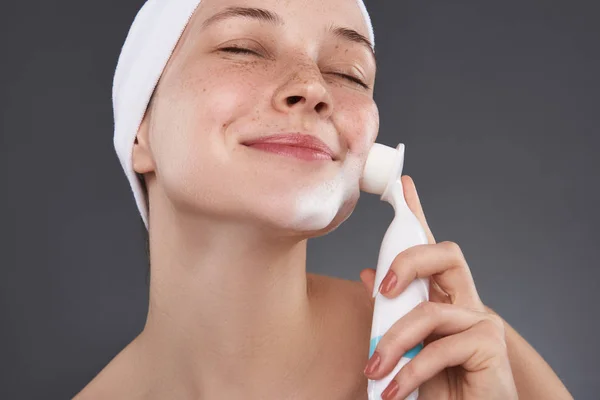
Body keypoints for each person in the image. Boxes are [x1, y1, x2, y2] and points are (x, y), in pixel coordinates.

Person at [75, 0, 573, 398]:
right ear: (139, 132)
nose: (314, 88)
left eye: (349, 73)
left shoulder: (463, 354)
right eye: (244, 48)